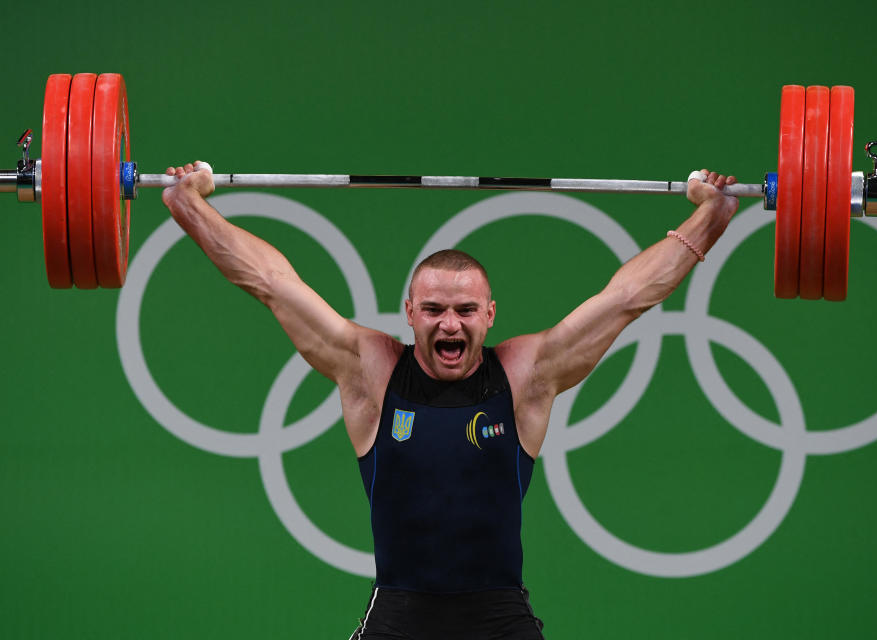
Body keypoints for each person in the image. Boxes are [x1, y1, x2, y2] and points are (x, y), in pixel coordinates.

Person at [161, 162, 740, 639]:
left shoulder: (525, 375)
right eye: (434, 310)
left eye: (465, 311)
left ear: (490, 316)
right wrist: (189, 205)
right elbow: (271, 282)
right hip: (398, 618)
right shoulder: (371, 372)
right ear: (410, 314)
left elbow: (626, 299)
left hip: (500, 619)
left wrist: (709, 219)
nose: (450, 325)